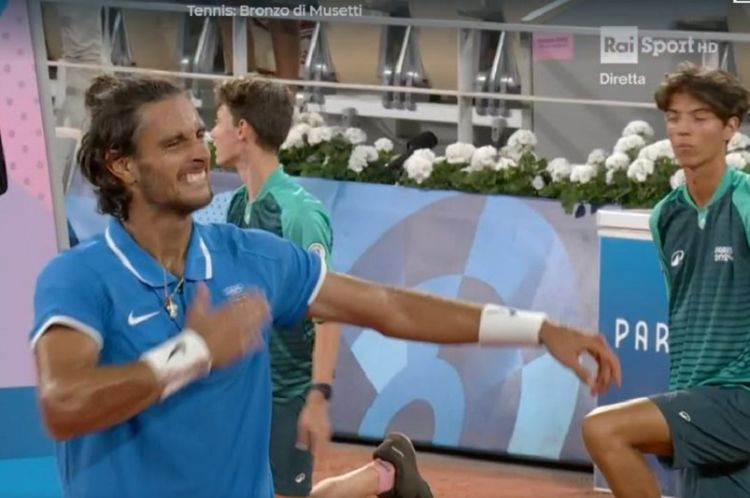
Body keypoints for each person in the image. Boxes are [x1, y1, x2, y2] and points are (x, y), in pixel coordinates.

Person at [31, 74, 620, 498]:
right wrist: (193, 353)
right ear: (122, 166)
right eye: (173, 143)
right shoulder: (77, 276)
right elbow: (62, 405)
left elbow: (389, 307)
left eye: (195, 134)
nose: (199, 153)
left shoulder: (252, 257)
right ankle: (380, 482)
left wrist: (538, 328)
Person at [583, 63, 750, 498]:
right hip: (695, 395)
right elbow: (684, 308)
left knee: (604, 430)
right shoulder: (666, 217)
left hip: (739, 396)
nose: (683, 131)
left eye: (700, 118)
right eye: (674, 118)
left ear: (730, 127)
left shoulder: (747, 203)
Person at [213, 77, 340, 497]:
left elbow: (329, 310)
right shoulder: (234, 206)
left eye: (218, 122)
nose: (212, 133)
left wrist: (318, 396)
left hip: (287, 395)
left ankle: (381, 478)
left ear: (242, 130)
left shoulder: (299, 213)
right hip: (243, 391)